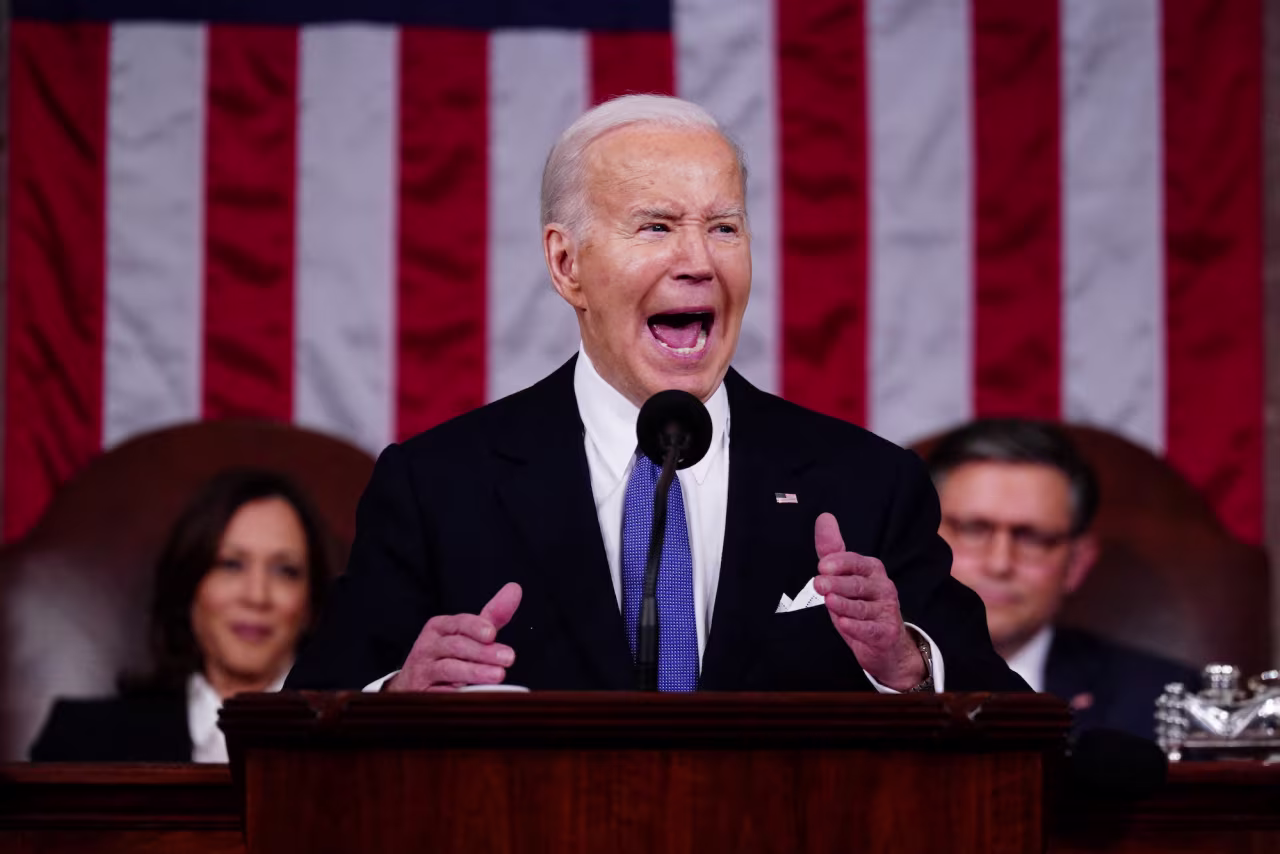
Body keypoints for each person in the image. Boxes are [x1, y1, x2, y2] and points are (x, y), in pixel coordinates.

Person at [287, 95, 1025, 695]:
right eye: (657, 226)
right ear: (566, 262)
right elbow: (307, 726)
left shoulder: (866, 483)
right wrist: (400, 696)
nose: (698, 261)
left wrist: (904, 664)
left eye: (724, 228)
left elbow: (1010, 727)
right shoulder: (438, 485)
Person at [30, 469, 333, 762]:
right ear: (189, 589)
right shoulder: (81, 741)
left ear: (310, 604)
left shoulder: (357, 746)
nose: (256, 596)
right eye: (230, 565)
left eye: (285, 571)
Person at [924, 418, 1198, 739]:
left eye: (1033, 538)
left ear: (1077, 564)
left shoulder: (1162, 703)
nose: (1000, 564)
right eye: (973, 529)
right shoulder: (855, 681)